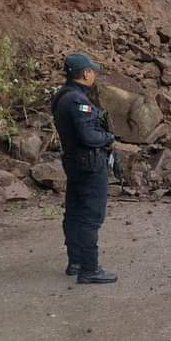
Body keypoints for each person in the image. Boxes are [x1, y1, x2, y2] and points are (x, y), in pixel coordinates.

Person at [50, 53, 118, 285]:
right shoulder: (78, 101)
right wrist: (108, 137)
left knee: (75, 212)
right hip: (89, 164)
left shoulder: (61, 96)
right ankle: (89, 269)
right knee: (91, 216)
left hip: (74, 162)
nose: (95, 75)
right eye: (93, 71)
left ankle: (75, 261)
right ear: (86, 74)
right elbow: (88, 136)